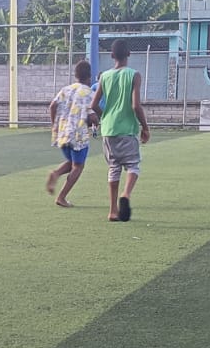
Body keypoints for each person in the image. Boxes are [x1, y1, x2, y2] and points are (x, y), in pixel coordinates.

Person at [88, 40, 150, 222]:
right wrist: (145, 127)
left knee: (114, 167)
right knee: (133, 165)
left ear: (112, 55)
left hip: (108, 130)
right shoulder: (134, 75)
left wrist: (105, 117)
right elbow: (136, 105)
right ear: (129, 54)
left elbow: (94, 105)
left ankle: (113, 211)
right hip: (127, 128)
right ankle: (126, 194)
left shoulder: (104, 76)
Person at [45, 59, 95, 208]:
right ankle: (61, 197)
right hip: (78, 135)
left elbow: (52, 106)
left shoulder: (66, 90)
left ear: (76, 75)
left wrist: (55, 125)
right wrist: (96, 121)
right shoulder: (89, 93)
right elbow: (93, 116)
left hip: (63, 133)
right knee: (78, 167)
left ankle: (55, 173)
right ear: (89, 76)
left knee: (73, 162)